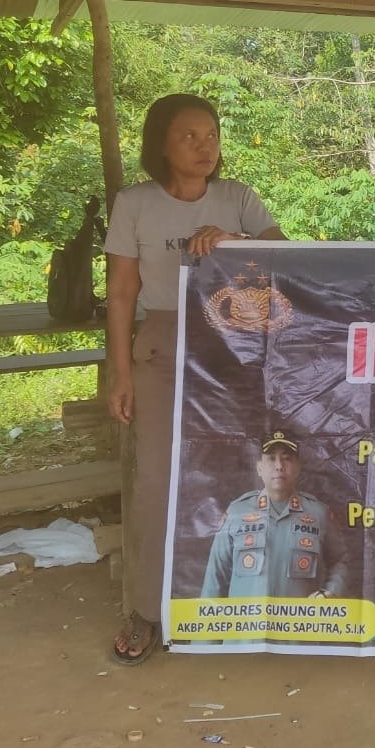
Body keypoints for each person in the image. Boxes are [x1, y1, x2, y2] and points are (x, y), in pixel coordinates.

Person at [104, 93, 285, 665]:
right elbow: (121, 294)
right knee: (155, 480)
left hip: (234, 347)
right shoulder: (135, 204)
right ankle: (145, 610)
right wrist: (120, 374)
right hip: (162, 344)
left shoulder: (238, 199)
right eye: (188, 136)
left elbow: (286, 257)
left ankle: (246, 603)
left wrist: (236, 242)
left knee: (243, 471)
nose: (204, 146)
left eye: (211, 135)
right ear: (160, 144)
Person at [200, 429, 348, 599]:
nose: (279, 466)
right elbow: (216, 574)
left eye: (287, 458)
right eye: (271, 458)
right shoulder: (237, 512)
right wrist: (207, 613)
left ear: (298, 467)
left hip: (299, 616)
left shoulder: (318, 513)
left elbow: (340, 560)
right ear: (259, 468)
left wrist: (330, 592)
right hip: (247, 616)